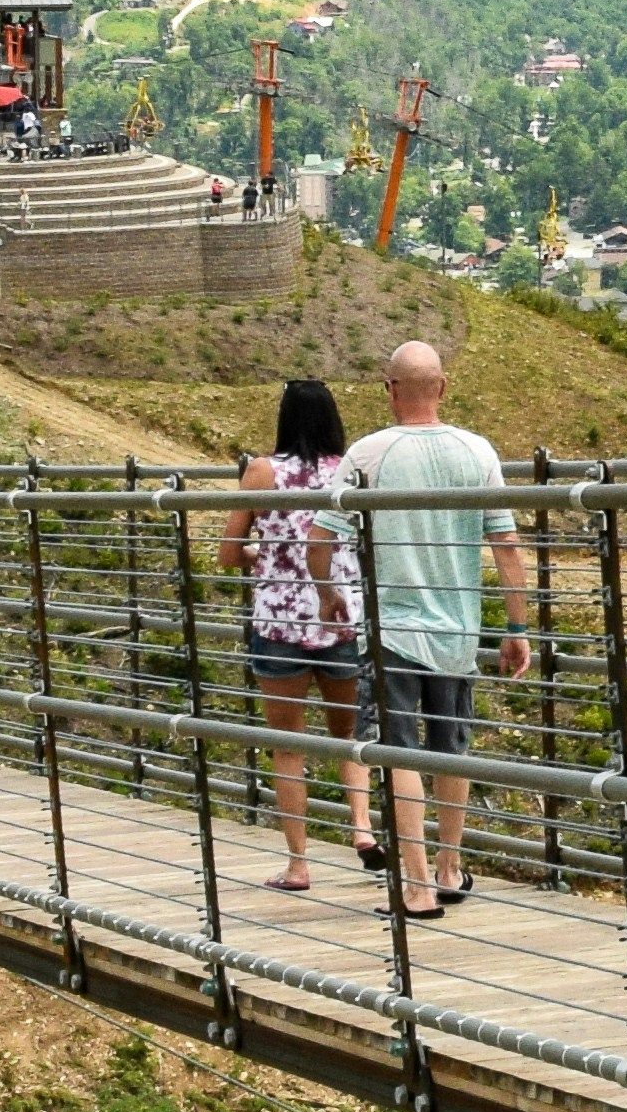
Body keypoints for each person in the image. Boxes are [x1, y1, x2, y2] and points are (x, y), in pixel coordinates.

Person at [336, 340, 525, 917]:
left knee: (401, 755)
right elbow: (506, 544)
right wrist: (517, 626)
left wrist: (328, 600)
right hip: (458, 632)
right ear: (442, 387)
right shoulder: (478, 451)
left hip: (390, 630)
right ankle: (448, 869)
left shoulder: (367, 453)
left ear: (390, 391)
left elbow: (322, 535)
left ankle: (414, 888)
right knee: (451, 752)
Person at [223, 376, 363, 890]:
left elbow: (227, 552)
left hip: (280, 622)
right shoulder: (351, 472)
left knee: (288, 746)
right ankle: (364, 831)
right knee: (351, 738)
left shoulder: (262, 471)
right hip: (341, 617)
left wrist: (266, 555)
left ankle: (299, 864)